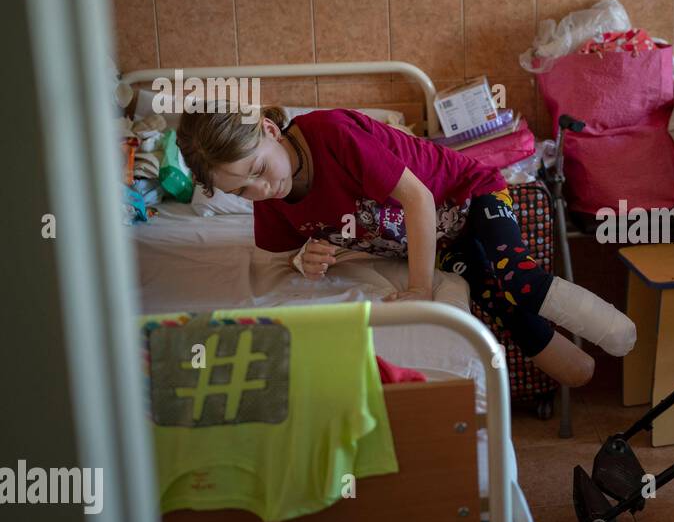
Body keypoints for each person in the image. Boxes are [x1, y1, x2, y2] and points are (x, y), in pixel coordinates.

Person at [178, 106, 636, 388]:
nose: (261, 189)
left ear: (270, 131)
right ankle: (582, 374)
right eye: (240, 192)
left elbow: (418, 198)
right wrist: (305, 256)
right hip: (438, 240)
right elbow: (282, 256)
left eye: (258, 169)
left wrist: (420, 289)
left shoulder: (331, 134)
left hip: (470, 196)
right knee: (498, 301)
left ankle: (620, 334)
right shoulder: (271, 204)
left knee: (517, 277)